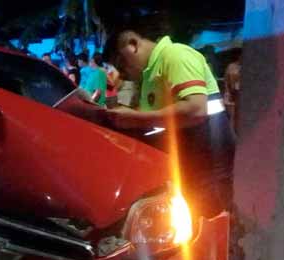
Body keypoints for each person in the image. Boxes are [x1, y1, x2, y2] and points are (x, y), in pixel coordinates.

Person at [104, 23, 236, 217]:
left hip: (209, 170)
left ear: (132, 44)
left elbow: (196, 108)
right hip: (187, 169)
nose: (122, 73)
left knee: (209, 225)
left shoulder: (175, 56)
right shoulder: (150, 75)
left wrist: (136, 119)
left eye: (121, 63)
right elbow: (161, 122)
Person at [223, 48, 242, 134]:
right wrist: (228, 92)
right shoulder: (232, 67)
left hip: (238, 94)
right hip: (233, 94)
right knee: (233, 116)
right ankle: (232, 134)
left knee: (237, 116)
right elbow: (227, 81)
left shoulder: (234, 67)